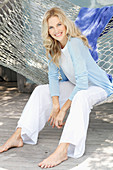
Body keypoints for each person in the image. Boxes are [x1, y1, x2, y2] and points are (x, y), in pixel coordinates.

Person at [0, 7, 113, 168]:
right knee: (40, 90)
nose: (56, 30)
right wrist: (55, 104)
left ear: (66, 25)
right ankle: (19, 135)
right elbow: (53, 77)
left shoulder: (75, 43)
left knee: (80, 97)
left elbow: (82, 83)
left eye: (59, 24)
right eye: (51, 27)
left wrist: (62, 109)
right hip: (77, 85)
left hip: (98, 86)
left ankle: (63, 149)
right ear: (47, 31)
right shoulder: (53, 47)